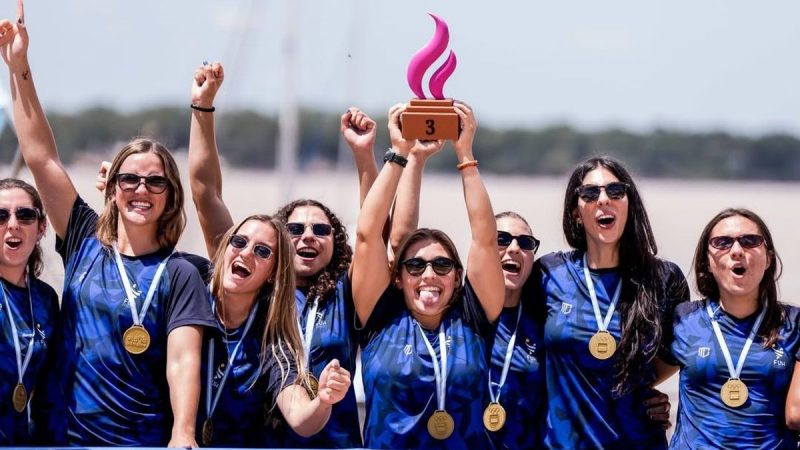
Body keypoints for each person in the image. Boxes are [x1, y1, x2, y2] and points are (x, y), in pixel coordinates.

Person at [1, 3, 216, 446]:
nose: (142, 189)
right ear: (113, 189)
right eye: (130, 179)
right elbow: (40, 157)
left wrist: (184, 432)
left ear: (170, 195)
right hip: (62, 437)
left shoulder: (180, 274)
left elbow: (182, 361)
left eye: (156, 181)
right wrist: (19, 66)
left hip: (140, 441)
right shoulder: (82, 237)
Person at [187, 61, 360, 448]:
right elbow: (204, 192)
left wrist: (325, 397)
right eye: (295, 229)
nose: (307, 237)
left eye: (321, 229)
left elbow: (375, 237)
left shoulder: (285, 329)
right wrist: (202, 108)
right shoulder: (226, 273)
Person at [352, 102, 505, 449]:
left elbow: (485, 238)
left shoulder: (474, 319)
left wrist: (465, 155)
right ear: (398, 278)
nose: (429, 275)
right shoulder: (381, 317)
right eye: (415, 266)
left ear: (457, 277)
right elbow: (367, 236)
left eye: (442, 265)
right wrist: (398, 153)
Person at [529, 155, 690, 449]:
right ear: (576, 213)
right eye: (590, 193)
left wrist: (640, 384)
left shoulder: (665, 279)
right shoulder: (549, 273)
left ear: (629, 202)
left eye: (615, 191)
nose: (603, 199)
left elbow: (674, 355)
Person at [664, 208, 800, 449]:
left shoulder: (793, 323)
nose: (737, 251)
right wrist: (648, 403)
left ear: (768, 258)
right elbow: (637, 380)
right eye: (722, 243)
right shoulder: (684, 320)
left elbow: (796, 414)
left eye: (750, 241)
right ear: (707, 261)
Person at [0, 178, 59, 445]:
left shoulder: (46, 300)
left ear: (41, 228)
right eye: (1, 216)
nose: (12, 224)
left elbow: (49, 390)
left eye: (24, 215)